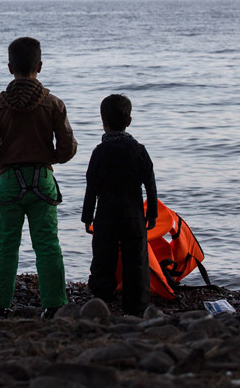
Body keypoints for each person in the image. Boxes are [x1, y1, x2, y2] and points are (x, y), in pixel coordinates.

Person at [0, 37, 78, 319]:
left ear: (10, 67)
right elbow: (67, 149)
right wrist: (46, 157)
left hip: (9, 180)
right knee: (47, 245)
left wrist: (5, 159)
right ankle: (55, 304)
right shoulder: (54, 104)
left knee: (6, 245)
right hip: (43, 179)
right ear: (40, 66)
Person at [82, 94, 158, 316]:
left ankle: (102, 301)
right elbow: (150, 185)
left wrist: (88, 217)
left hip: (105, 215)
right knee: (137, 261)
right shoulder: (139, 150)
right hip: (133, 215)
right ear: (129, 121)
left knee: (103, 259)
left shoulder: (99, 152)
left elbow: (91, 188)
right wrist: (151, 213)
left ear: (102, 121)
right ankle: (136, 306)